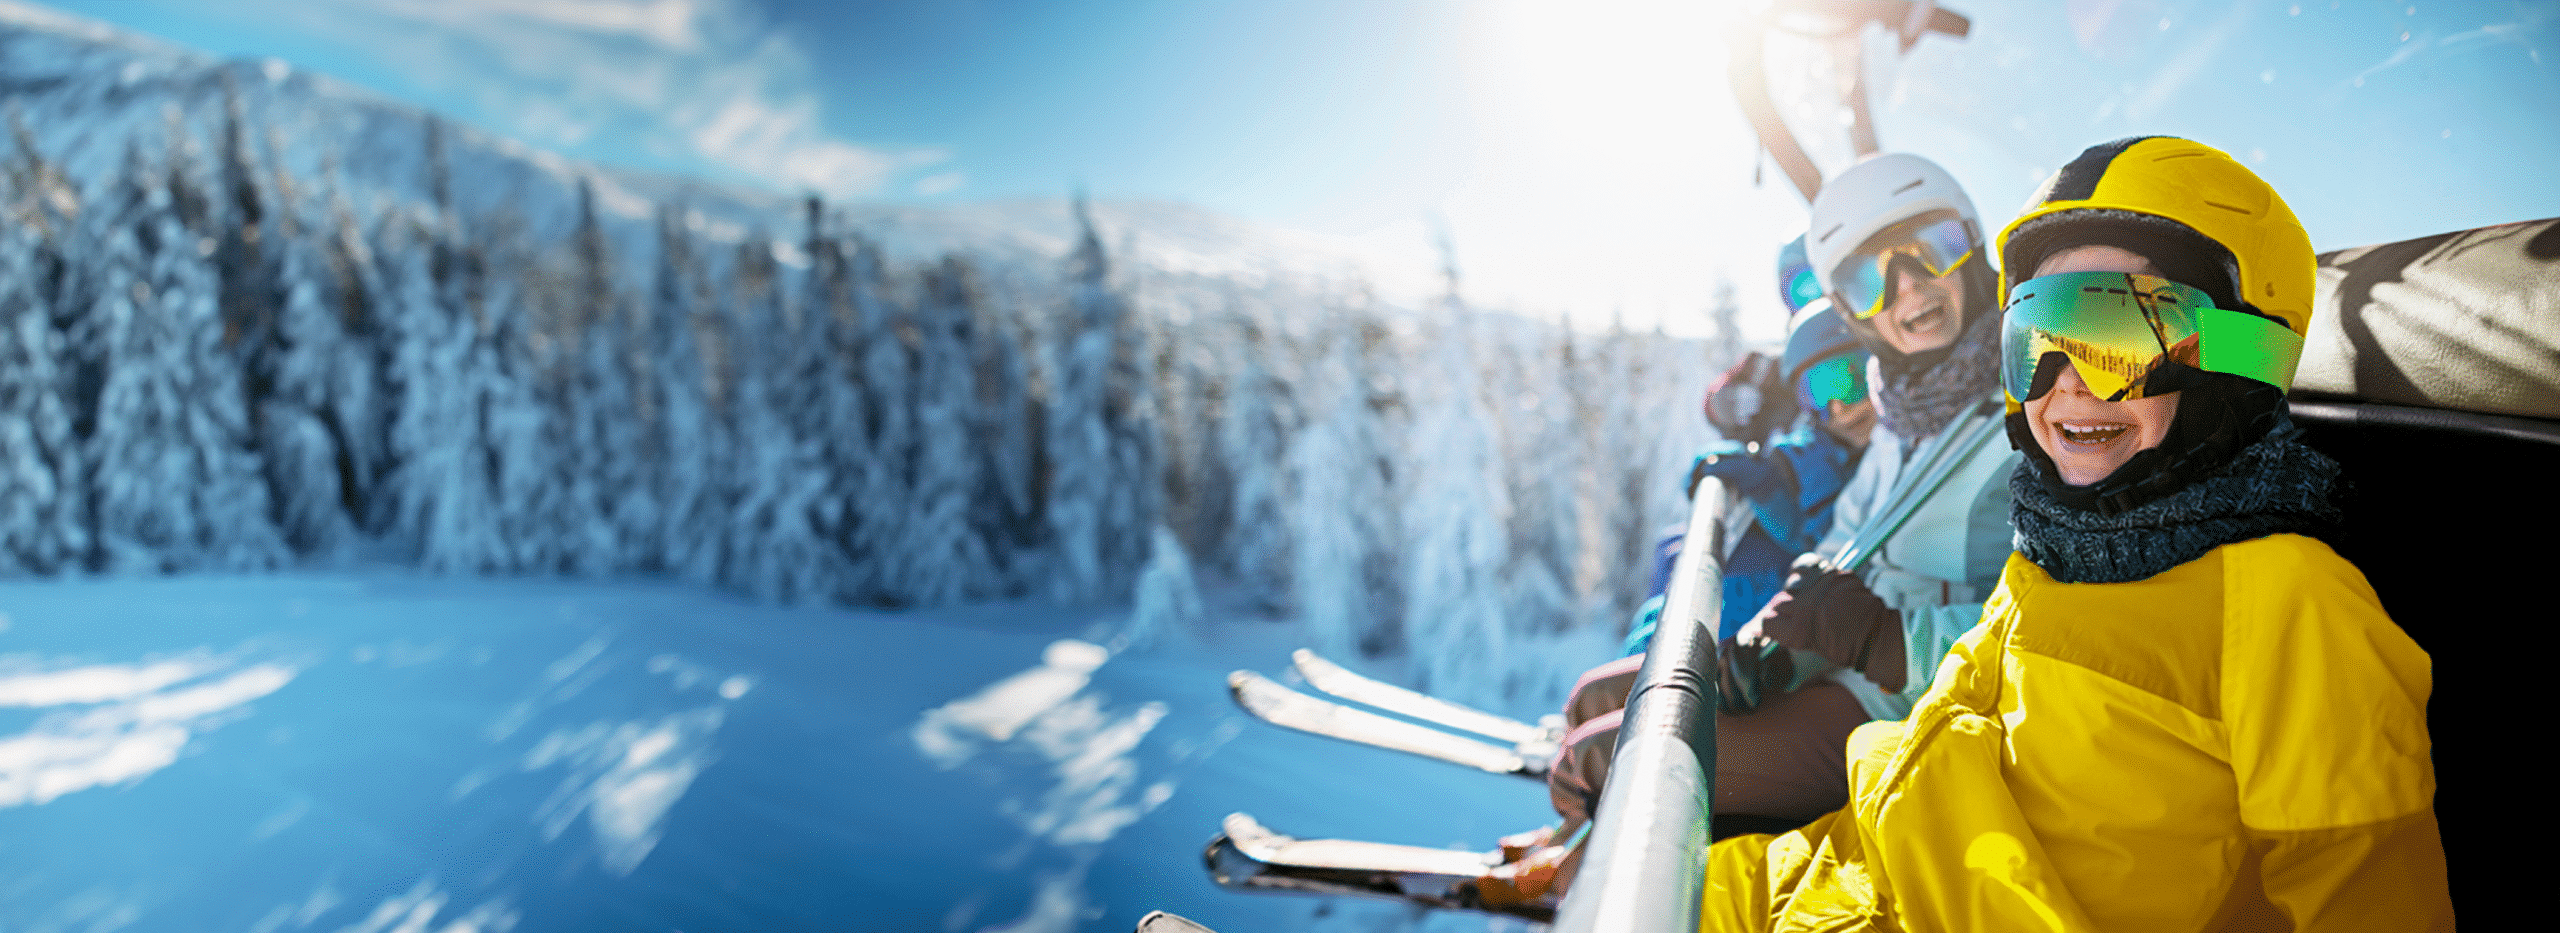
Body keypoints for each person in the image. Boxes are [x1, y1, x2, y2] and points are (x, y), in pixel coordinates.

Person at [1700, 136, 2451, 931]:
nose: (2066, 384)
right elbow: (1941, 736)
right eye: (2037, 336)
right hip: (1856, 872)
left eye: (2116, 334)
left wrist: (1878, 642)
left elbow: (2365, 895)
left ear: (2237, 356)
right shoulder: (2056, 542)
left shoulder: (2290, 608)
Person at [1483, 152, 2018, 906]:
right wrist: (1779, 640)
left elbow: (2041, 622)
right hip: (1844, 672)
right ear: (1852, 307)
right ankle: (1574, 853)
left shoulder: (2027, 410)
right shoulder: (1902, 411)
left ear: (1971, 244)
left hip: (1913, 705)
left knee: (1610, 760)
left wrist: (1881, 638)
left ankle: (1594, 893)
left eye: (1928, 247)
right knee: (1598, 702)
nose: (1908, 286)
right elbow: (1847, 542)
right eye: (1871, 278)